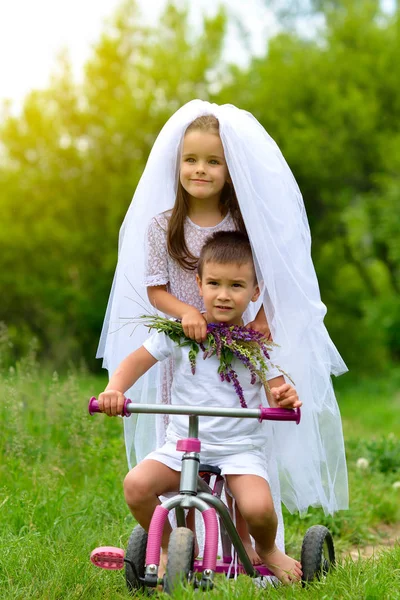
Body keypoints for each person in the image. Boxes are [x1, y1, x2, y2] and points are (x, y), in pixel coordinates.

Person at [97, 100, 348, 523]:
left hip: (239, 343)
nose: (201, 169)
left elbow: (277, 276)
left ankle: (244, 539)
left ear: (230, 170)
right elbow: (156, 289)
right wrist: (186, 315)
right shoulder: (163, 225)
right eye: (191, 160)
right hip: (183, 346)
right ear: (177, 165)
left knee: (235, 440)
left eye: (213, 161)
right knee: (185, 443)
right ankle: (187, 538)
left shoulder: (242, 224)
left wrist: (263, 317)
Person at [98, 231, 303, 584]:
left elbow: (277, 388)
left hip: (239, 450)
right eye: (214, 283)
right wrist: (115, 389)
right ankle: (166, 547)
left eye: (237, 286)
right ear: (199, 283)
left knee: (258, 509)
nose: (224, 295)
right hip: (182, 447)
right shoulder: (179, 333)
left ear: (255, 292)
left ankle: (267, 548)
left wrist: (285, 397)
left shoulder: (255, 344)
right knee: (136, 486)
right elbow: (135, 361)